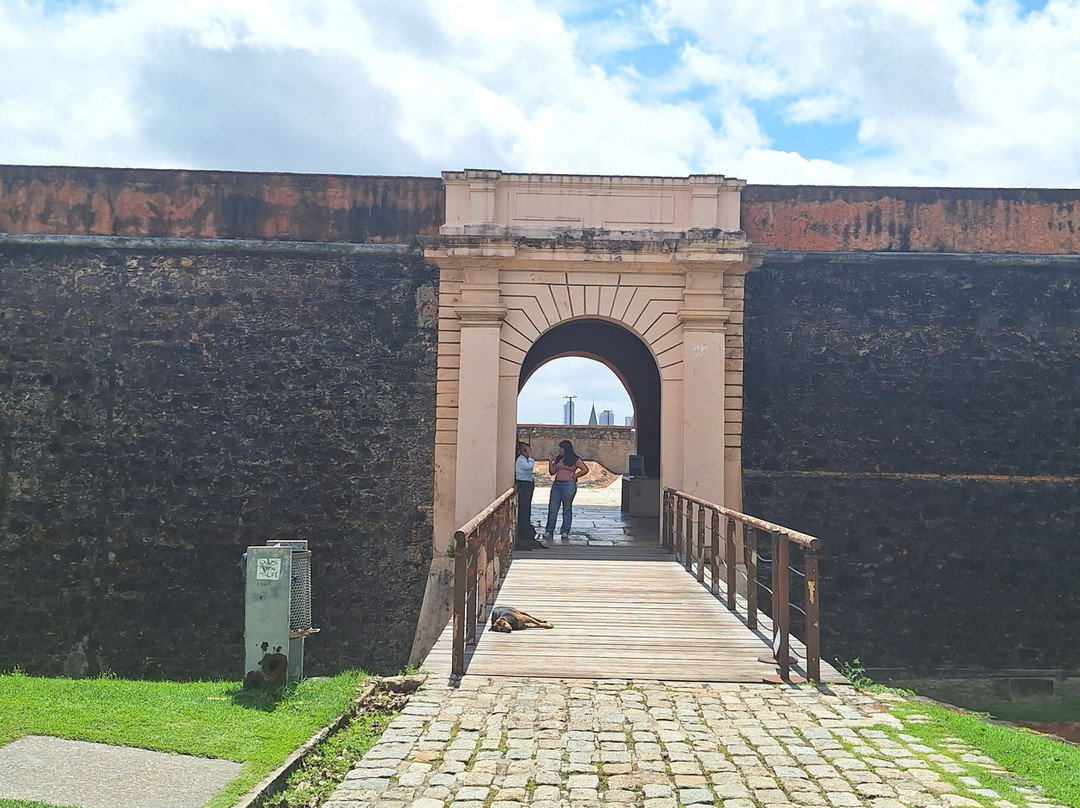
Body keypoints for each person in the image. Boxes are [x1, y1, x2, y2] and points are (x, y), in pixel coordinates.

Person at [544, 439, 588, 540]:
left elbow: (585, 469)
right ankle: (549, 530)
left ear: (566, 449)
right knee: (552, 508)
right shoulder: (559, 459)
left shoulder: (575, 459)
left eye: (561, 448)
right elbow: (552, 472)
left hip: (569, 485)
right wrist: (550, 461)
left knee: (567, 508)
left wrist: (575, 476)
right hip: (557, 485)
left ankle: (565, 530)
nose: (560, 450)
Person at [514, 441, 541, 548]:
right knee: (524, 507)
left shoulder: (523, 459)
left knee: (527, 508)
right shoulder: (522, 460)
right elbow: (530, 466)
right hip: (523, 485)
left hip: (528, 484)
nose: (531, 452)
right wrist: (530, 457)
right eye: (529, 450)